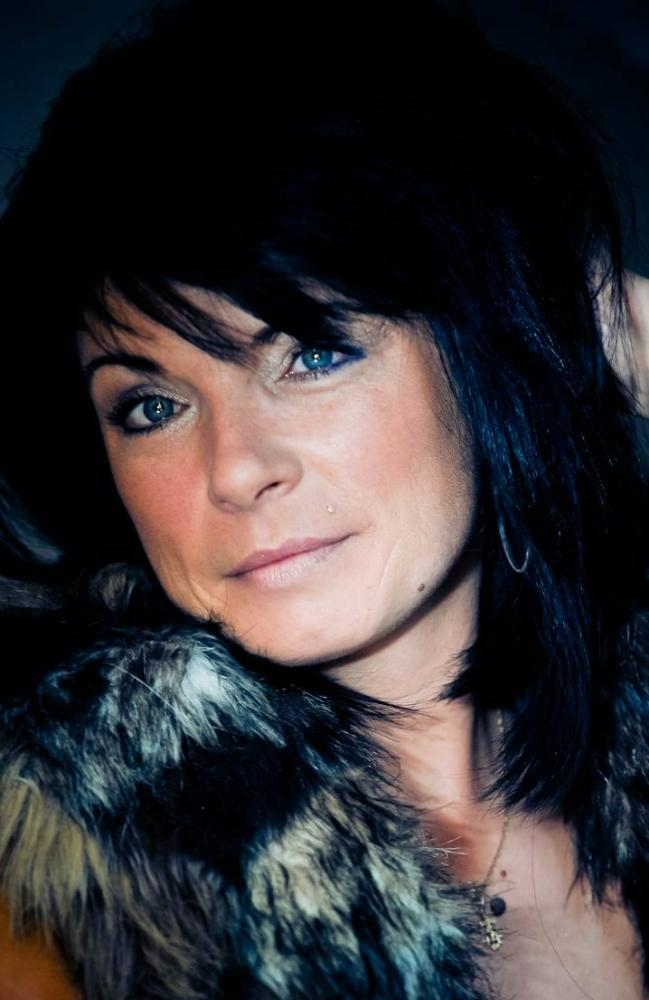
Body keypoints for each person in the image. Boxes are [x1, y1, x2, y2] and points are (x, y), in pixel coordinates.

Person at [0, 2, 647, 997]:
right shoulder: (54, 902)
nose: (233, 469)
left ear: (489, 355)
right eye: (152, 407)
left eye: (311, 354)